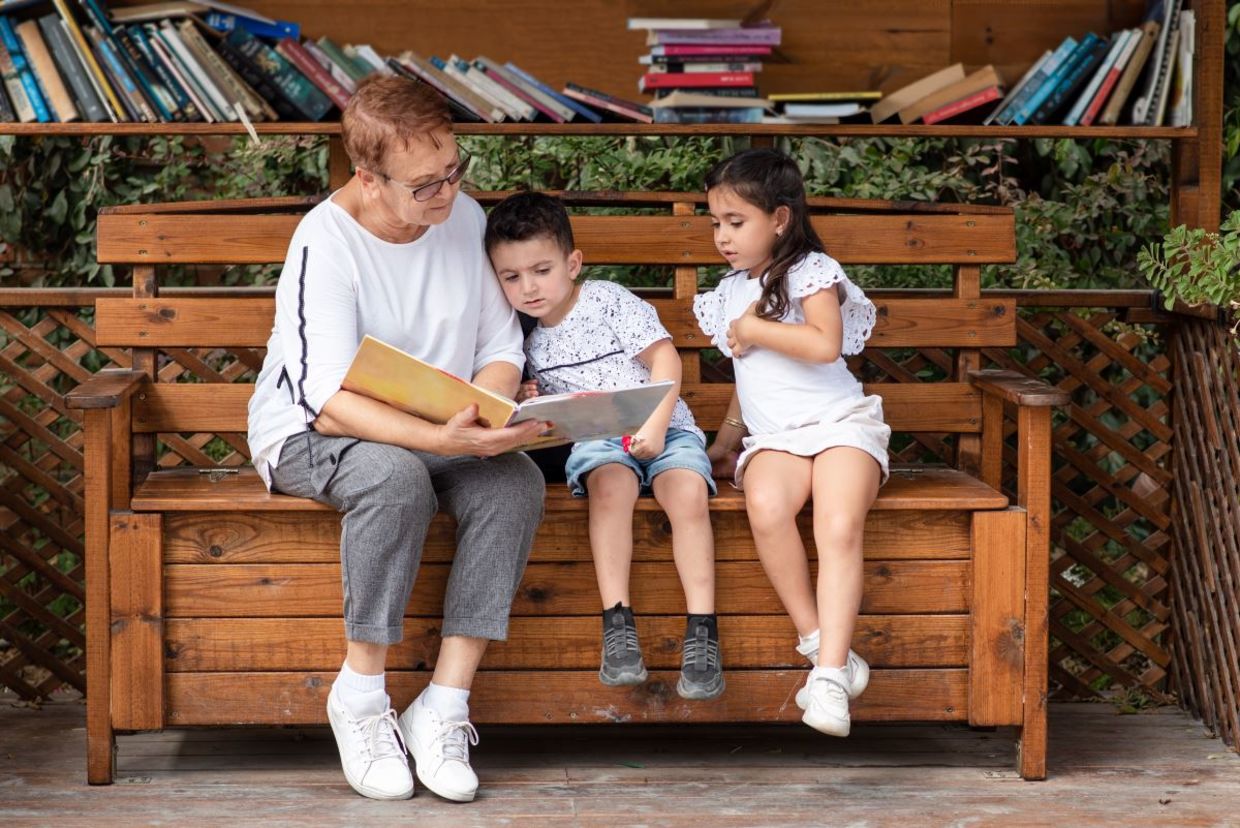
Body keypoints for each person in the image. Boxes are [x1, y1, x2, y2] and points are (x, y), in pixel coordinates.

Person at [246, 76, 547, 803]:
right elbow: (327, 403)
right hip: (315, 434)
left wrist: (491, 410)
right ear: (369, 181)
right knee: (393, 477)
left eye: (453, 172)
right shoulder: (326, 241)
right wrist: (439, 441)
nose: (444, 196)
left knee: (514, 483)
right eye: (423, 187)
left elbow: (501, 345)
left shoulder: (466, 219)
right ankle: (360, 694)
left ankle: (443, 705)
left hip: (441, 426)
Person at [485, 192, 724, 700]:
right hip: (598, 440)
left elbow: (666, 361)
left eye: (541, 270)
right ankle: (619, 625)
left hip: (665, 425)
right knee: (609, 488)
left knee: (687, 494)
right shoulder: (524, 339)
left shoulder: (607, 301)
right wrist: (531, 395)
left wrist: (656, 429)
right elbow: (558, 412)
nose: (528, 287)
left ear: (573, 263)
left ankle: (702, 629)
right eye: (511, 277)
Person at [694, 148, 891, 736]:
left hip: (840, 427)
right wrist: (727, 440)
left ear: (779, 219)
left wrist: (757, 328)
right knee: (767, 506)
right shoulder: (728, 292)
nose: (723, 237)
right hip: (775, 437)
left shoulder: (810, 270)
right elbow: (747, 378)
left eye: (736, 222)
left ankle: (828, 678)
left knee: (836, 525)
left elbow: (826, 344)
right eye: (715, 224)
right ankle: (819, 645)